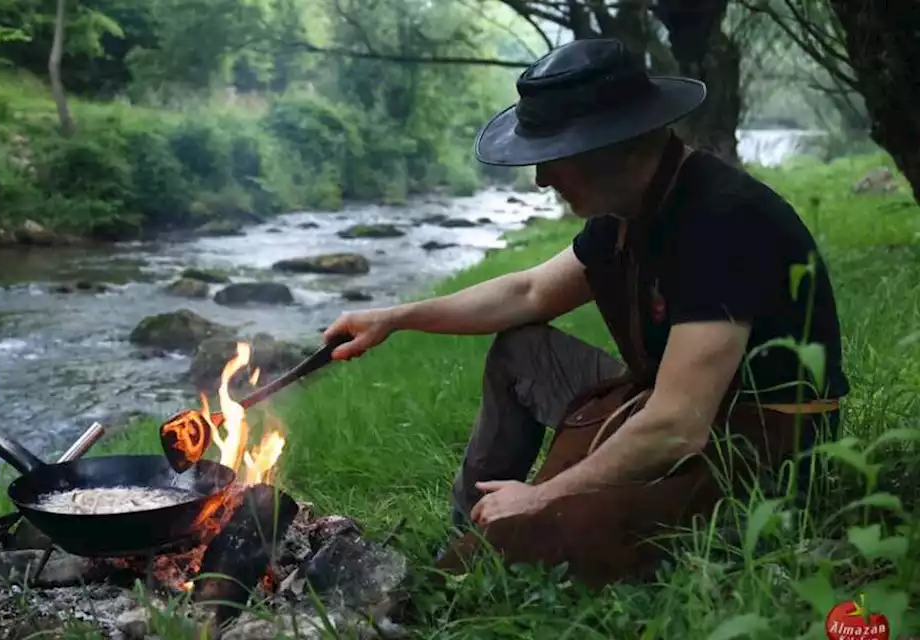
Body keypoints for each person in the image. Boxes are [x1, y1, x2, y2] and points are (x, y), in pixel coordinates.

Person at [322, 38, 850, 587]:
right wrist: (396, 317)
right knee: (521, 350)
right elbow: (528, 293)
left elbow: (676, 426)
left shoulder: (721, 221)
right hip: (674, 411)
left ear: (615, 147)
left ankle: (471, 561)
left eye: (553, 159)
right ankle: (467, 529)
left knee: (530, 533)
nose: (541, 180)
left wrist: (543, 495)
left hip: (756, 453)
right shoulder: (631, 210)